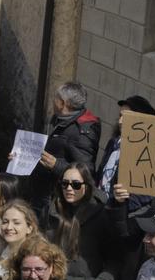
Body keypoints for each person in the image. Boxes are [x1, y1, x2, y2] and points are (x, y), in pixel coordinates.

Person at [42, 163, 116, 280]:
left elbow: (114, 261)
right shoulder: (52, 211)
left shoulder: (102, 214)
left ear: (86, 186)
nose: (69, 189)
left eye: (75, 185)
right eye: (65, 184)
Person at [30, 82, 102, 214]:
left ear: (63, 103)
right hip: (40, 191)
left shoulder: (82, 132)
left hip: (54, 201)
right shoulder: (60, 119)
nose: (53, 101)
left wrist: (56, 165)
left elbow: (86, 170)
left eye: (55, 98)